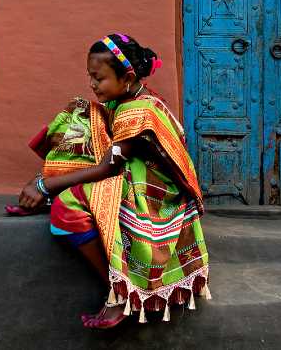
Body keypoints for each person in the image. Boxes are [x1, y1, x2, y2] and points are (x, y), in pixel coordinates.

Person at [11, 33, 211, 329]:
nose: (92, 85)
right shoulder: (129, 98)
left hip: (156, 193)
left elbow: (108, 167)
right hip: (131, 172)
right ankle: (49, 194)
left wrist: (45, 184)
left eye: (99, 78)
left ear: (127, 77)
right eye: (90, 76)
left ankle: (119, 294)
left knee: (66, 211)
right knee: (80, 115)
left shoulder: (137, 110)